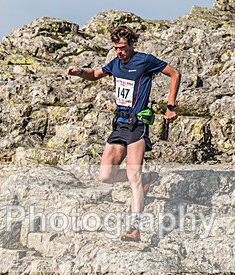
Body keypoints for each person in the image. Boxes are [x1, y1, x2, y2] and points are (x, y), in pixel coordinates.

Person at [67, 25, 181, 242]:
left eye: (122, 47)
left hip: (138, 125)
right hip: (119, 125)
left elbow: (174, 73)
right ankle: (147, 179)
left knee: (132, 176)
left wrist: (171, 105)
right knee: (105, 175)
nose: (119, 52)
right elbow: (96, 74)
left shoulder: (145, 60)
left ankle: (135, 228)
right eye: (115, 48)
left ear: (131, 44)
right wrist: (80, 72)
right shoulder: (116, 64)